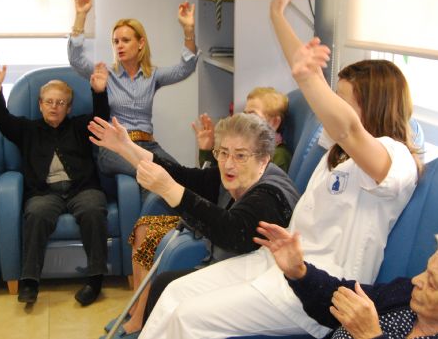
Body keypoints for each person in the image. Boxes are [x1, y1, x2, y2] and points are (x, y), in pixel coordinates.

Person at [135, 0, 422, 338]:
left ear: (374, 107)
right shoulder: (336, 154)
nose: (331, 105)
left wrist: (306, 78)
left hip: (317, 290)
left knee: (189, 317)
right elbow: (334, 118)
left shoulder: (395, 160)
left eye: (343, 101)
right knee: (175, 293)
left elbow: (346, 127)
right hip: (276, 263)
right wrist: (277, 15)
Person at [88, 112, 300, 339]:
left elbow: (233, 232)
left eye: (240, 155)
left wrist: (170, 190)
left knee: (168, 291)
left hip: (258, 285)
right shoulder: (232, 176)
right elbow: (179, 174)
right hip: (228, 270)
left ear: (264, 159)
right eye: (223, 153)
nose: (228, 164)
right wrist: (125, 147)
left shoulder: (271, 195)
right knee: (162, 285)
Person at [0, 58, 110, 306]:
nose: (54, 107)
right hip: (45, 193)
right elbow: (2, 119)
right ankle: (30, 282)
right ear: (40, 105)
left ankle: (95, 280)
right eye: (49, 102)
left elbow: (101, 118)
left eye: (60, 103)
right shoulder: (27, 129)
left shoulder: (79, 126)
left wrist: (99, 92)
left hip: (82, 189)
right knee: (36, 214)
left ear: (69, 108)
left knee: (94, 210)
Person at [255, 222, 438, 339]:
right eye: (426, 270)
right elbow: (336, 297)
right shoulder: (404, 293)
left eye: (432, 283)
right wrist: (299, 272)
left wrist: (370, 336)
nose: (416, 280)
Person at [68, 0, 199, 177]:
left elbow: (186, 68)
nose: (119, 45)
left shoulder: (153, 75)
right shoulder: (106, 74)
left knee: (181, 176)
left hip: (147, 144)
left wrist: (188, 31)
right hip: (115, 147)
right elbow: (75, 59)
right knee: (153, 171)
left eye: (125, 40)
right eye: (116, 41)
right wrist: (80, 16)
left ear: (140, 43)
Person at [194, 87, 292, 172]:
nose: (245, 120)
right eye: (245, 114)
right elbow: (216, 180)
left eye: (253, 115)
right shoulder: (243, 148)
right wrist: (207, 150)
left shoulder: (278, 156)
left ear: (274, 122)